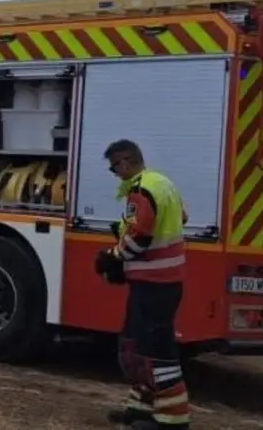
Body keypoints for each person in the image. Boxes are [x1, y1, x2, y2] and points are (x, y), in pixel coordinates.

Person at [96, 139, 190, 430]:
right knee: (136, 347)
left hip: (155, 284)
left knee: (157, 354)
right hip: (159, 281)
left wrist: (113, 257)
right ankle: (139, 410)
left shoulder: (141, 189)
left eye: (114, 168)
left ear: (125, 162)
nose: (115, 173)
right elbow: (181, 217)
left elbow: (140, 236)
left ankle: (173, 421)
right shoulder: (162, 183)